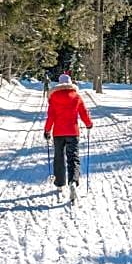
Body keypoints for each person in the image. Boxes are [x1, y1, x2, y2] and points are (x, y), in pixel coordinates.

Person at [44, 73, 93, 203]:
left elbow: (51, 117)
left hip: (58, 133)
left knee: (59, 158)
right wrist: (89, 124)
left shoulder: (54, 98)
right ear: (70, 83)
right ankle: (73, 181)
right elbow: (83, 113)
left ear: (59, 84)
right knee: (73, 158)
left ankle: (60, 184)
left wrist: (47, 130)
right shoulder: (76, 96)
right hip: (73, 132)